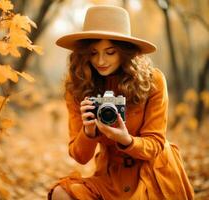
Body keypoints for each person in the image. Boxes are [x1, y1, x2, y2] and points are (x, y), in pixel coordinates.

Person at [48, 5, 194, 200]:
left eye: (110, 52)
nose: (100, 61)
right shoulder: (78, 86)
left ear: (125, 52)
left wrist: (127, 140)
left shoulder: (152, 81)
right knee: (61, 194)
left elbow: (156, 143)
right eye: (93, 52)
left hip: (153, 173)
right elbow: (80, 157)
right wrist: (88, 132)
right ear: (84, 54)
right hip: (111, 176)